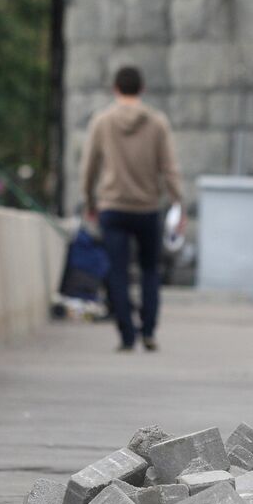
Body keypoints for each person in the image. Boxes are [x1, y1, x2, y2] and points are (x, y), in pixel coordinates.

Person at [79, 66, 184, 352]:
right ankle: (148, 330)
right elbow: (170, 169)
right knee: (150, 270)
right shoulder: (158, 123)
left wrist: (90, 202)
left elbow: (89, 168)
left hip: (112, 208)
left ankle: (126, 336)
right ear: (142, 89)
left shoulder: (102, 121)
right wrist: (178, 204)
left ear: (116, 89)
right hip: (148, 207)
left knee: (118, 271)